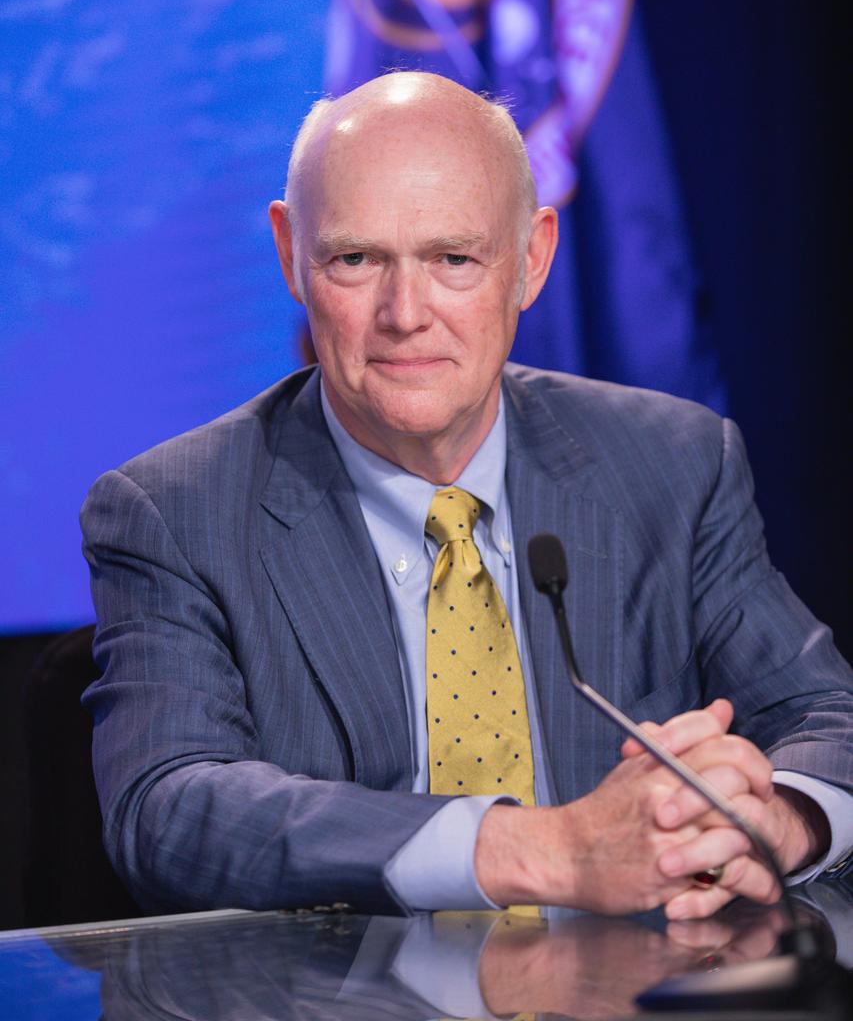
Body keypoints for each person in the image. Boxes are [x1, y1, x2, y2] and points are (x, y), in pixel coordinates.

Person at [82, 71, 853, 921]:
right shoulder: (174, 511)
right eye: (356, 259)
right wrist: (540, 850)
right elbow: (169, 809)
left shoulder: (671, 463)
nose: (405, 313)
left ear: (530, 259)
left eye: (453, 258)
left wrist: (771, 823)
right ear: (289, 255)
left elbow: (824, 711)